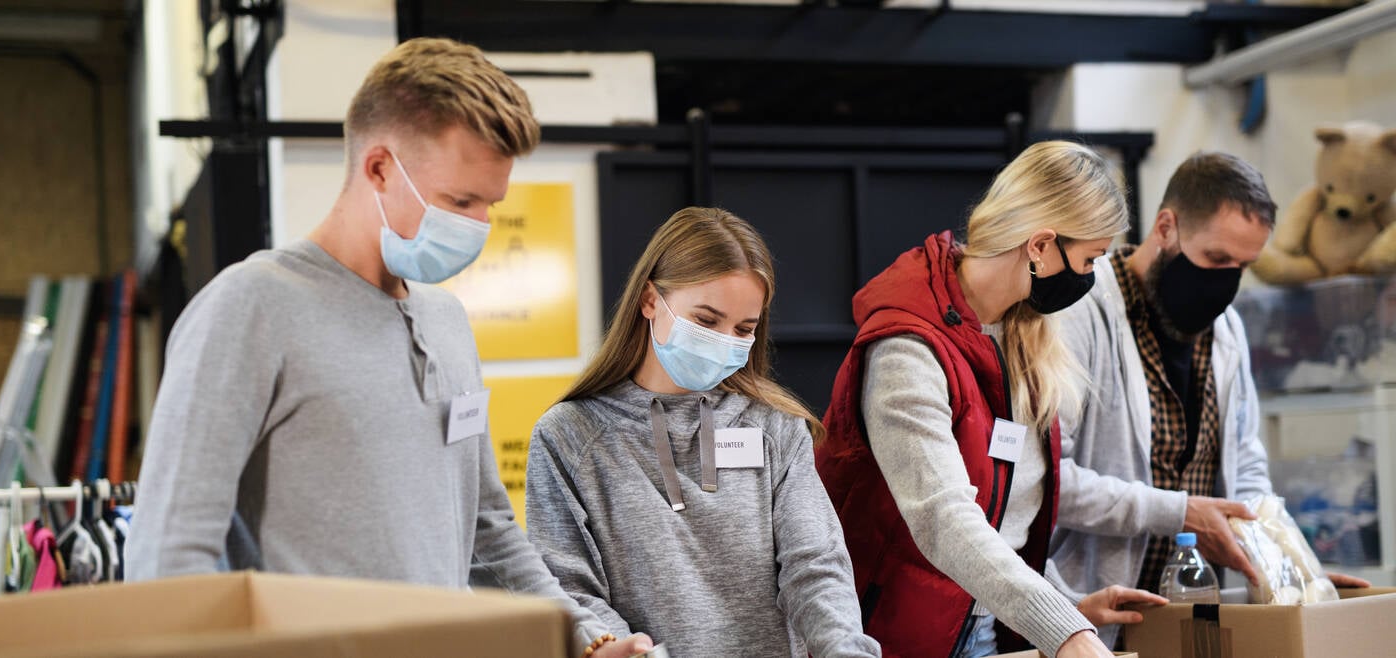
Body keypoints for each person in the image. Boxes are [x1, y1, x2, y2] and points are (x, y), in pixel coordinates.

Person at [125, 38, 650, 658]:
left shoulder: (447, 321)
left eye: (489, 204)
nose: (479, 225)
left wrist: (584, 638)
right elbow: (169, 558)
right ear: (378, 168)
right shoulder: (251, 308)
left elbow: (489, 528)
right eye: (460, 201)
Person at [817, 141, 1166, 658]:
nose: (1089, 278)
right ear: (1041, 245)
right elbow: (943, 519)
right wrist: (1063, 628)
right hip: (894, 636)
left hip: (982, 629)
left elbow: (1006, 509)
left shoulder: (1022, 334)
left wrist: (1068, 604)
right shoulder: (907, 349)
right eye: (1089, 258)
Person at [525, 207, 880, 658]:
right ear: (650, 300)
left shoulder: (776, 427)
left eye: (743, 329)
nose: (724, 340)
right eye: (707, 321)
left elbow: (815, 565)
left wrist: (846, 650)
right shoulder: (568, 436)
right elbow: (567, 585)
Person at [1047, 151, 1368, 646]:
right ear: (1166, 227)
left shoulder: (1227, 329)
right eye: (1217, 259)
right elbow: (1050, 479)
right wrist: (1178, 513)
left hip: (1193, 618)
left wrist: (1294, 570)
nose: (1226, 282)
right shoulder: (1081, 313)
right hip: (1088, 620)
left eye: (1244, 266)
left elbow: (1246, 467)